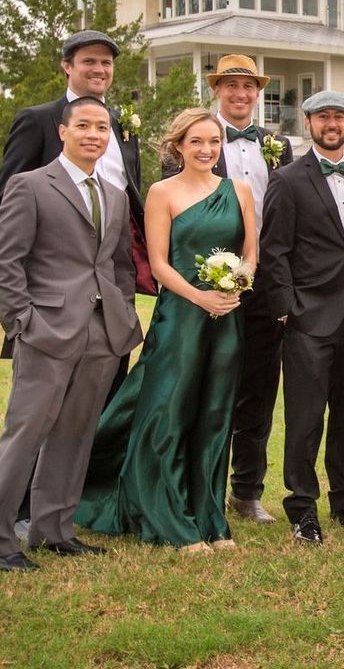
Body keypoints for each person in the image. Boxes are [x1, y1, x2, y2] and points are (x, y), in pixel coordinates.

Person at [76, 108, 256, 552]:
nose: (206, 150)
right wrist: (201, 296)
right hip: (181, 317)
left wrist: (236, 282)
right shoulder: (162, 192)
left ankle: (210, 517)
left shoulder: (241, 190)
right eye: (196, 141)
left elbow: (251, 253)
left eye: (213, 141)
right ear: (179, 146)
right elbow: (158, 265)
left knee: (215, 414)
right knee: (170, 412)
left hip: (227, 316)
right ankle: (169, 518)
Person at [0, 30, 147, 539]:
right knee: (27, 432)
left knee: (78, 434)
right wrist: (22, 320)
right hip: (47, 321)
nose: (95, 134)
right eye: (83, 126)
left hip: (102, 327)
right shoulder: (31, 173)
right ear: (63, 130)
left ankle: (55, 530)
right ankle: (0, 535)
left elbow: (120, 252)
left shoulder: (113, 186)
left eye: (101, 128)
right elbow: (7, 253)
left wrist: (121, 306)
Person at [260, 91, 344, 545]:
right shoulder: (288, 180)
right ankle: (302, 508)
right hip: (309, 315)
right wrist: (288, 311)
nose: (332, 124)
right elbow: (274, 250)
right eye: (323, 117)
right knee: (306, 417)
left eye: (340, 117)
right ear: (308, 122)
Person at [188, 54, 295, 526]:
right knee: (209, 384)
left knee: (258, 388)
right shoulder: (197, 139)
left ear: (257, 92)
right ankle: (198, 483)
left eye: (247, 86)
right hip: (211, 282)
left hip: (266, 284)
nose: (239, 94)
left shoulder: (278, 144)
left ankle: (247, 491)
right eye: (230, 86)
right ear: (217, 91)